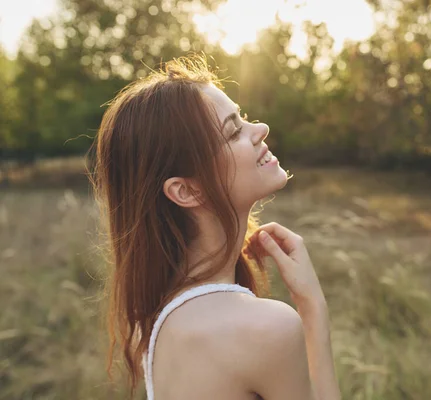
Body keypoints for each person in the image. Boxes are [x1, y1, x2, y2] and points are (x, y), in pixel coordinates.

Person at [88, 54, 341, 400]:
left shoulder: (155, 322)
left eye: (244, 118)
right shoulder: (266, 329)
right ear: (186, 190)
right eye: (234, 130)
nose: (260, 129)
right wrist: (312, 307)